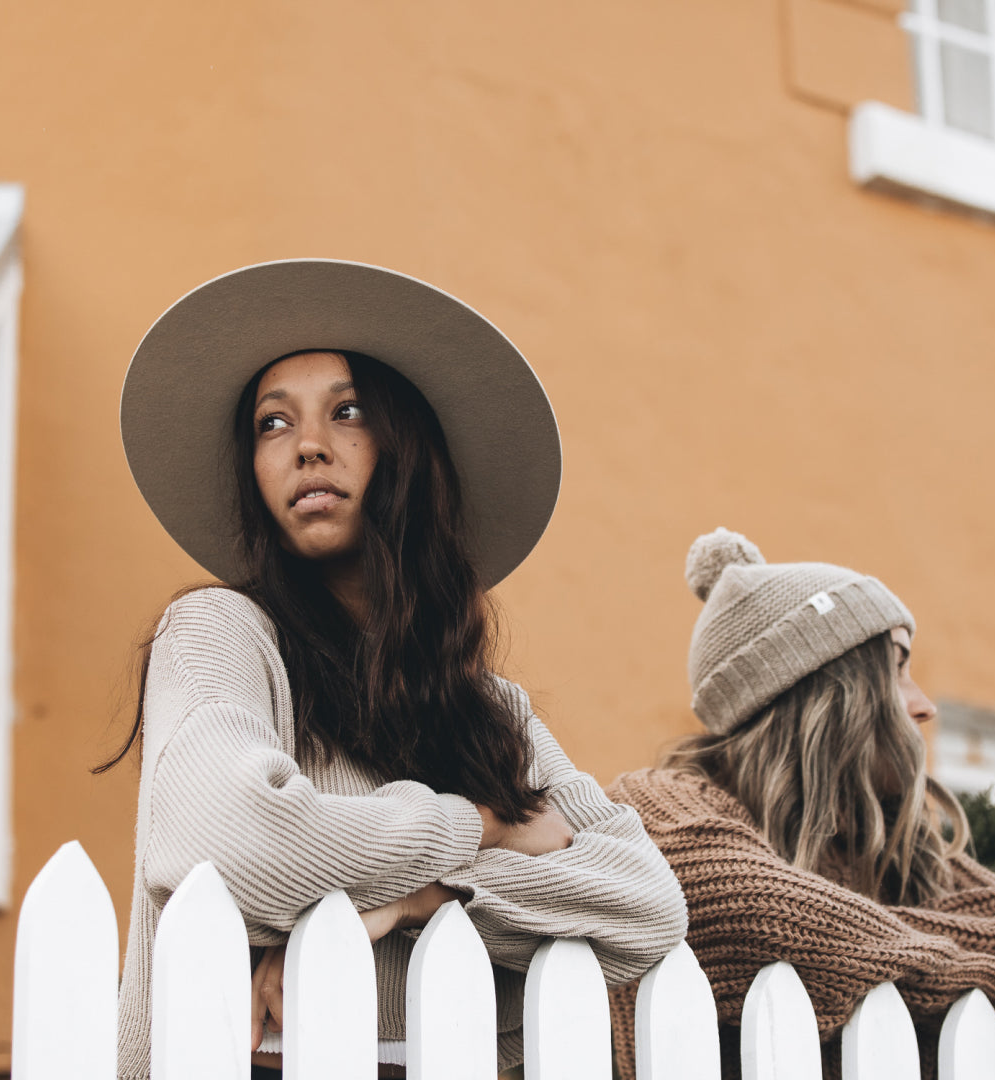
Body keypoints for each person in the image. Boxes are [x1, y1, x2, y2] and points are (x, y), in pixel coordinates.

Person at [105, 259, 688, 1080]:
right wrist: (481, 826)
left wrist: (421, 897)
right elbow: (231, 842)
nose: (308, 446)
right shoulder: (221, 634)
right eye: (272, 424)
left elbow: (643, 900)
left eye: (346, 413)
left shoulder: (490, 707)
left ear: (406, 449)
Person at [607, 527, 995, 1080]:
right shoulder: (657, 808)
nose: (925, 705)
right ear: (823, 695)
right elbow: (748, 902)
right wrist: (967, 965)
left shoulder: (891, 848)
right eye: (897, 668)